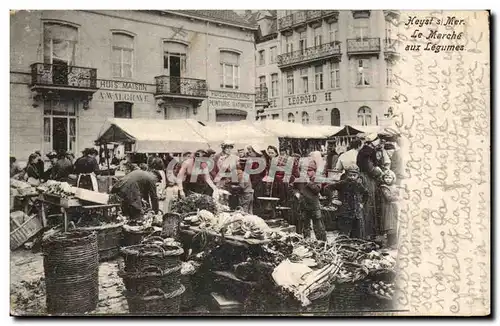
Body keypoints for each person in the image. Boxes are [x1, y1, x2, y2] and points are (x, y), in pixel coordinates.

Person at [327, 165, 369, 239]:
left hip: (356, 214)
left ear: (358, 176)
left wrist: (362, 204)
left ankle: (354, 248)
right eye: (350, 175)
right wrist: (333, 199)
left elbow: (366, 193)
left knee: (356, 235)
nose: (352, 177)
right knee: (344, 234)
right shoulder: (342, 183)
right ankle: (342, 246)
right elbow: (328, 188)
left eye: (354, 175)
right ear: (346, 175)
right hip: (344, 213)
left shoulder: (358, 185)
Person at [293, 159, 326, 242]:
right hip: (303, 205)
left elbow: (317, 190)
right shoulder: (300, 179)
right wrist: (296, 193)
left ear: (314, 171)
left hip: (314, 206)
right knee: (305, 225)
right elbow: (294, 188)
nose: (307, 173)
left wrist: (309, 182)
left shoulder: (317, 179)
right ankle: (307, 241)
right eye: (305, 170)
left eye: (310, 170)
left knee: (318, 226)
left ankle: (322, 242)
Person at [379, 170, 399, 248]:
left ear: (393, 178)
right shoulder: (384, 187)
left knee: (394, 224)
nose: (387, 179)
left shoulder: (395, 186)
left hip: (394, 207)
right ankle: (389, 243)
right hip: (388, 208)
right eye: (386, 177)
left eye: (389, 178)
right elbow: (388, 197)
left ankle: (393, 242)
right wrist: (398, 198)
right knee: (389, 224)